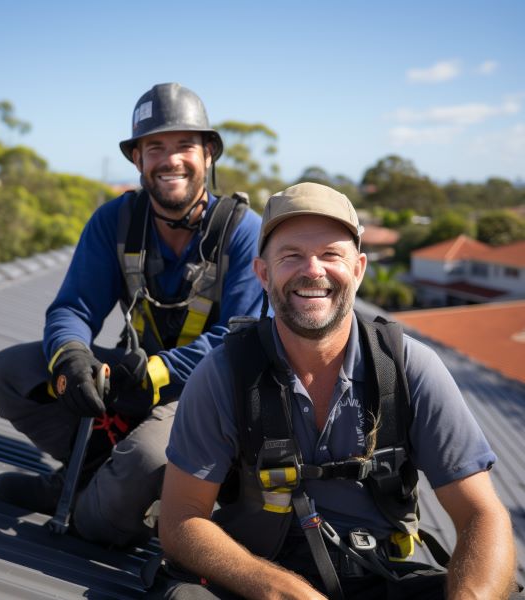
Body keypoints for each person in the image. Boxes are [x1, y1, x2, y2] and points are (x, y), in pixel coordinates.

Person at [157, 182, 520, 599]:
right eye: (291, 255)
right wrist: (276, 588)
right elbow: (181, 519)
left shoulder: (407, 369)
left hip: (379, 576)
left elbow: (482, 513)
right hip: (257, 579)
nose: (313, 270)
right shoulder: (223, 373)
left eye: (331, 254)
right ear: (263, 273)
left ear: (359, 269)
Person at [0, 82, 263, 548]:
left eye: (184, 146)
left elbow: (238, 342)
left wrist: (152, 373)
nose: (170, 159)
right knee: (10, 373)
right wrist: (71, 358)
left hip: (209, 401)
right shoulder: (115, 221)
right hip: (135, 385)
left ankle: (86, 498)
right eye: (155, 147)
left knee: (138, 470)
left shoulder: (243, 233)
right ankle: (92, 473)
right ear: (137, 159)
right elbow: (74, 307)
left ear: (209, 154)